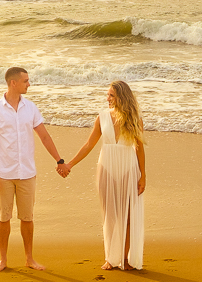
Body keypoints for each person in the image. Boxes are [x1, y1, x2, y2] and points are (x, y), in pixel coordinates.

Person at [0, 67, 65, 272]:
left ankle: (29, 259)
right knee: (4, 218)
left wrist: (59, 160)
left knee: (27, 218)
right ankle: (3, 260)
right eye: (26, 81)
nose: (29, 84)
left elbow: (44, 136)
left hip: (27, 173)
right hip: (4, 174)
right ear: (14, 83)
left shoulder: (31, 108)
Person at [59, 80, 145, 270]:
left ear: (122, 97)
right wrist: (70, 164)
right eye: (107, 95)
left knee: (128, 217)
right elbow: (89, 144)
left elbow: (139, 148)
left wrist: (143, 176)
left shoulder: (135, 119)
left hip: (129, 168)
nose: (107, 98)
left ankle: (125, 259)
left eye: (111, 95)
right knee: (110, 216)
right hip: (106, 168)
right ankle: (111, 258)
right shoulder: (102, 117)